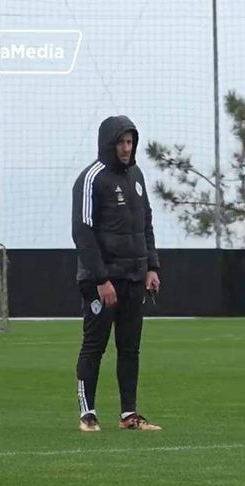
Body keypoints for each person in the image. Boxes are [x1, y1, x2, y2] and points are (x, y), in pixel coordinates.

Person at [71, 115, 162, 432]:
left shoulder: (136, 176)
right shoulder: (91, 178)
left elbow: (145, 224)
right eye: (121, 142)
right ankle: (87, 414)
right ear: (109, 143)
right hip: (101, 282)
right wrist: (101, 280)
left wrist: (151, 267)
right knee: (94, 346)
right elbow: (82, 233)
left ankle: (129, 415)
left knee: (130, 349)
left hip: (134, 277)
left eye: (130, 141)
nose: (126, 148)